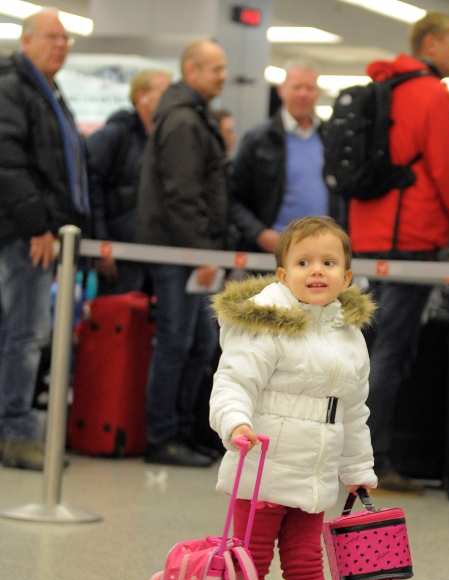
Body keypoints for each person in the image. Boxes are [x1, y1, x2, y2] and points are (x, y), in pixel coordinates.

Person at [210, 216, 377, 580]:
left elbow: (354, 411)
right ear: (282, 274)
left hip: (315, 472)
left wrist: (358, 470)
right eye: (303, 262)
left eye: (328, 262)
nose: (316, 271)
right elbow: (233, 382)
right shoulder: (266, 326)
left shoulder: (350, 336)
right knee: (251, 562)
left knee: (305, 560)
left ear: (347, 278)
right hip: (261, 465)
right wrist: (234, 422)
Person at [348, 12, 449, 494]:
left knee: (372, 349)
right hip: (410, 238)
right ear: (429, 43)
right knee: (392, 351)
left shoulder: (389, 87)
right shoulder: (431, 94)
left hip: (373, 233)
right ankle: (371, 461)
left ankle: (358, 452)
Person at [0, 8, 89, 471]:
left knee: (21, 333)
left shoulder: (46, 90)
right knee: (26, 334)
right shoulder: (14, 86)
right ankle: (15, 430)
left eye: (66, 38)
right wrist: (38, 224)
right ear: (27, 40)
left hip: (38, 230)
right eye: (53, 37)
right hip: (23, 233)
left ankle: (13, 424)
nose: (62, 45)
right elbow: (8, 159)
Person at [136, 39, 229, 467]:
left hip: (190, 251)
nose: (223, 77)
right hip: (180, 253)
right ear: (191, 70)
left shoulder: (190, 116)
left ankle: (183, 429)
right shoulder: (183, 122)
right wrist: (202, 252)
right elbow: (182, 193)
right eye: (215, 69)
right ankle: (162, 435)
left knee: (198, 342)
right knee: (178, 341)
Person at [230, 59, 346, 256]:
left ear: (317, 92)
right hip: (273, 252)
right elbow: (233, 197)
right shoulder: (258, 140)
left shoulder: (333, 139)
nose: (303, 94)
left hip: (324, 250)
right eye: (296, 87)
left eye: (309, 88)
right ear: (281, 90)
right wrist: (259, 233)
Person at [86, 68, 171, 295]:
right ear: (140, 96)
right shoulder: (115, 135)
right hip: (118, 255)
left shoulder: (164, 141)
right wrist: (101, 245)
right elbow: (91, 187)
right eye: (164, 92)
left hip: (152, 254)